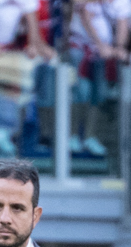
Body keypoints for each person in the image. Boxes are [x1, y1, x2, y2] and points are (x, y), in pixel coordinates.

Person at [69, 0, 130, 156]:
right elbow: (84, 16)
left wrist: (119, 48)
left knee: (98, 95)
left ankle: (90, 136)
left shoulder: (117, 4)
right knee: (82, 93)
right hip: (81, 49)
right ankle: (72, 135)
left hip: (102, 54)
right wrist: (100, 44)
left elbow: (122, 23)